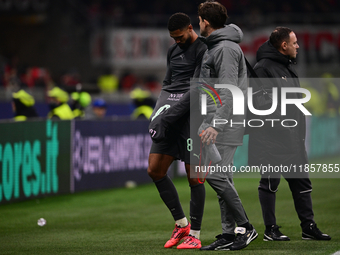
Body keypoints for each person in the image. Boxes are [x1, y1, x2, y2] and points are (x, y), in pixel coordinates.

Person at [248, 27, 331, 241]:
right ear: (283, 45)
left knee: (302, 183)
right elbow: (260, 105)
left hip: (293, 139)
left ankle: (308, 226)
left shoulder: (287, 67)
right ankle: (270, 229)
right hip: (271, 140)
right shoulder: (263, 68)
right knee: (269, 183)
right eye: (294, 43)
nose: (298, 46)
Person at [197, 1, 257, 251]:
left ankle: (246, 227)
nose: (197, 23)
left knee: (215, 175)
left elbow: (229, 91)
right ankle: (229, 233)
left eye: (198, 19)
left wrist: (217, 125)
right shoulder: (217, 47)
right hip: (214, 122)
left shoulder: (224, 49)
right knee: (224, 179)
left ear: (206, 22)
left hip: (225, 123)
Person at [147, 12, 207, 249]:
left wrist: (170, 114)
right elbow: (167, 85)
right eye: (173, 38)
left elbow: (198, 89)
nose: (177, 41)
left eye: (180, 37)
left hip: (193, 118)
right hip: (171, 116)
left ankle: (196, 233)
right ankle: (181, 224)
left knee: (195, 177)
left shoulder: (204, 50)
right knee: (155, 170)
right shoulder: (173, 50)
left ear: (190, 28)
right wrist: (157, 114)